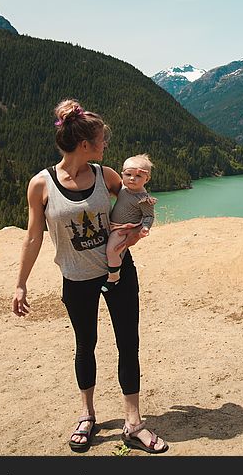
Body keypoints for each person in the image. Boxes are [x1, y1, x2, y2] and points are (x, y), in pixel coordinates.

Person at [12, 99, 168, 454]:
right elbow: (33, 236)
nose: (105, 145)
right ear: (85, 145)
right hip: (76, 277)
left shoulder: (106, 175)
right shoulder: (42, 184)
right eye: (101, 139)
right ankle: (87, 415)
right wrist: (21, 282)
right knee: (86, 345)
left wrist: (137, 231)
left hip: (118, 273)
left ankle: (133, 422)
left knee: (128, 344)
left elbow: (134, 200)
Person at [101, 154, 157, 294]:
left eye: (138, 176)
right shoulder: (123, 189)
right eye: (128, 174)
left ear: (147, 179)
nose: (132, 178)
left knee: (112, 250)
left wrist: (144, 228)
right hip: (113, 225)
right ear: (122, 175)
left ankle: (113, 277)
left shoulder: (143, 199)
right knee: (115, 251)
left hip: (123, 229)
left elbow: (149, 216)